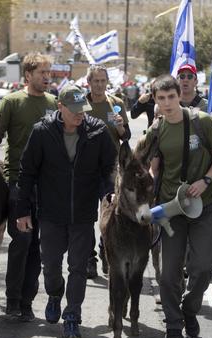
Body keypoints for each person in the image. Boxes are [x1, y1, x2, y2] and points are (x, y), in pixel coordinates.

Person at [16, 85, 116, 338]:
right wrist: (23, 211)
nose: (79, 115)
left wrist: (109, 194)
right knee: (50, 266)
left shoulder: (97, 132)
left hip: (83, 214)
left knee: (78, 267)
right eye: (74, 111)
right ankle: (54, 294)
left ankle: (72, 317)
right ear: (60, 107)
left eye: (82, 110)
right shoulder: (42, 132)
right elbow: (27, 173)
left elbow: (108, 170)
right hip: (50, 212)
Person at [144, 74, 212, 338]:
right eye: (161, 98)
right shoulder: (156, 130)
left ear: (179, 95)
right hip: (171, 208)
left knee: (203, 266)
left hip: (205, 205)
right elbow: (150, 166)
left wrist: (205, 181)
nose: (167, 103)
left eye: (171, 97)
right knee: (168, 273)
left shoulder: (200, 121)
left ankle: (189, 310)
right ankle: (172, 323)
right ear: (155, 101)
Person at [0, 53, 58, 321]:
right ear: (28, 75)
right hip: (18, 183)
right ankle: (13, 300)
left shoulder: (54, 103)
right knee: (21, 241)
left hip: (46, 188)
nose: (46, 77)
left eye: (48, 73)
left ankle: (28, 302)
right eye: (42, 72)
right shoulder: (11, 102)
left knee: (37, 247)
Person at [84, 65, 131, 278]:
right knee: (85, 217)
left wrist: (120, 127)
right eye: (96, 81)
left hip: (110, 169)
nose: (100, 85)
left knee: (109, 215)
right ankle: (89, 258)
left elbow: (126, 137)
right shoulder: (81, 104)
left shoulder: (116, 105)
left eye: (103, 81)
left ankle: (106, 250)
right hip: (84, 169)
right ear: (89, 82)